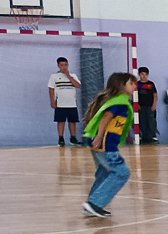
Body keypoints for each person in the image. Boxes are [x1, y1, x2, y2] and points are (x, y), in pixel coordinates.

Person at [81, 72, 136, 218]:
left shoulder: (114, 100)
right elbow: (106, 117)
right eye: (131, 83)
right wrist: (99, 137)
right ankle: (95, 203)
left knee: (104, 172)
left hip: (100, 140)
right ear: (121, 85)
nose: (134, 86)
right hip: (105, 143)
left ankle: (91, 204)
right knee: (121, 173)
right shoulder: (120, 103)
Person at [48, 57, 82, 146]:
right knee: (61, 121)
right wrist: (52, 101)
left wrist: (68, 76)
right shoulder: (54, 76)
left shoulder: (73, 75)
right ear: (58, 66)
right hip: (60, 103)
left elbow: (78, 85)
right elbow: (51, 89)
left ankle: (73, 138)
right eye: (62, 65)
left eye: (65, 65)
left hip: (72, 104)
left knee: (72, 121)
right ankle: (61, 138)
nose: (64, 67)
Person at [136, 67, 159, 143]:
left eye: (146, 74)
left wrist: (154, 105)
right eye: (142, 74)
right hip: (141, 106)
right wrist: (137, 105)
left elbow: (155, 95)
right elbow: (134, 95)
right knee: (142, 121)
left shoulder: (151, 84)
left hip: (150, 106)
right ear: (139, 74)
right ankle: (143, 136)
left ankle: (153, 136)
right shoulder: (137, 84)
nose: (144, 76)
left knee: (151, 121)